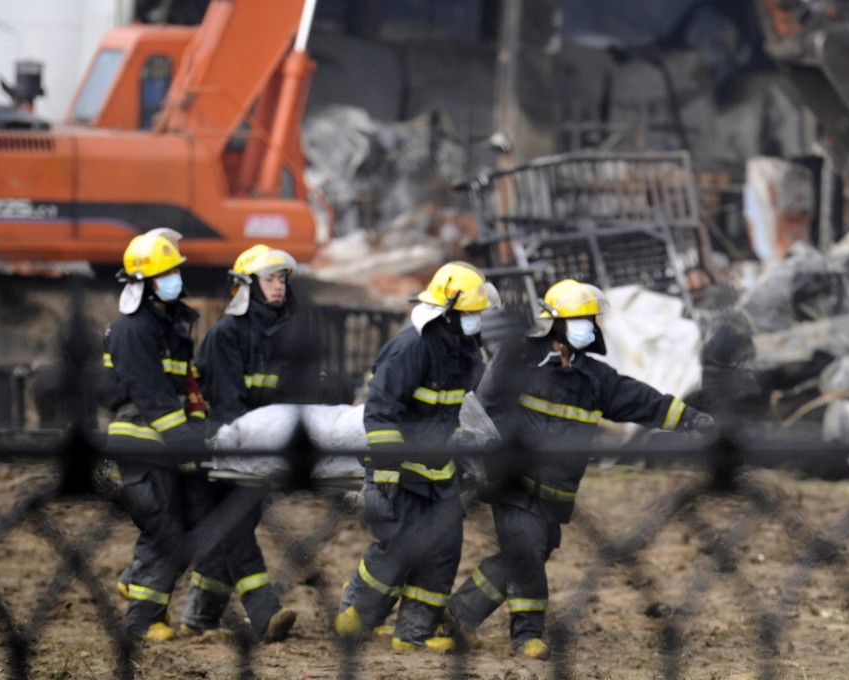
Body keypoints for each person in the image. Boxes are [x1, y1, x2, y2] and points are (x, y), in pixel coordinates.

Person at [446, 279, 717, 659]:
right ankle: (527, 636)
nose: (587, 327)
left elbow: (642, 400)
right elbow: (483, 411)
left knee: (528, 554)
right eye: (579, 320)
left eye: (590, 320)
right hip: (513, 482)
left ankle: (460, 612)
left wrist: (691, 419)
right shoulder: (519, 359)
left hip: (555, 491)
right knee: (526, 551)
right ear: (556, 324)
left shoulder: (595, 378)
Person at [335, 261, 495, 653]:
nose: (476, 321)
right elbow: (381, 411)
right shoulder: (410, 348)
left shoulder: (464, 352)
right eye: (471, 313)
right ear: (449, 311)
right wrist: (387, 468)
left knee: (443, 551)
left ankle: (414, 634)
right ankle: (356, 610)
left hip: (439, 473)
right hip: (400, 470)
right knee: (398, 547)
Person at [176, 245, 312, 642]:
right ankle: (264, 611)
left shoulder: (283, 333)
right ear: (248, 285)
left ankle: (199, 617)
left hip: (263, 448)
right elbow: (228, 406)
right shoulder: (227, 335)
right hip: (226, 448)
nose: (278, 286)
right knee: (236, 529)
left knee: (231, 529)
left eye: (282, 279)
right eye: (269, 279)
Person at [102, 228, 210, 642]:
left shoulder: (171, 326)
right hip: (142, 445)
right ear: (144, 284)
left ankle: (137, 581)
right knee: (165, 528)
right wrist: (188, 447)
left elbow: (186, 388)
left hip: (169, 441)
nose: (174, 280)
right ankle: (142, 620)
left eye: (175, 271)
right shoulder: (133, 330)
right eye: (166, 274)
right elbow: (152, 397)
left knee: (184, 526)